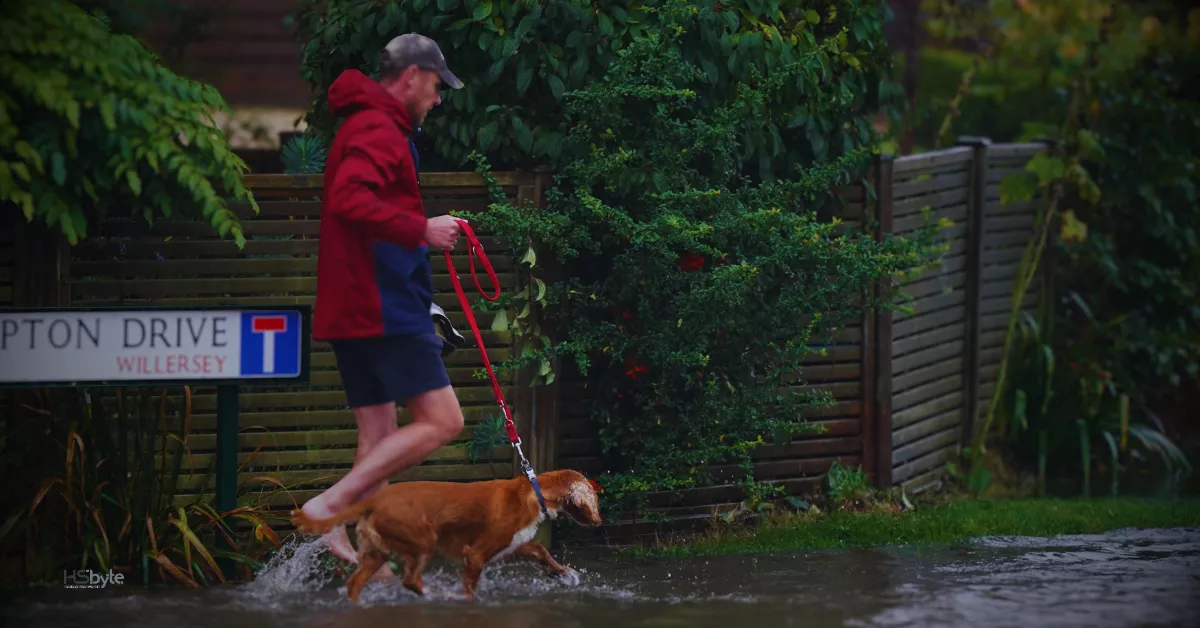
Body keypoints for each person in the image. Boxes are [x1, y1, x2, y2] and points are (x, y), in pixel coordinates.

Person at [304, 33, 466, 577]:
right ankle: (331, 506)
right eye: (437, 86)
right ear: (412, 76)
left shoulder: (364, 123)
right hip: (381, 305)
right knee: (443, 420)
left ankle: (369, 568)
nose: (438, 99)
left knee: (378, 441)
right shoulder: (378, 127)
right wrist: (422, 229)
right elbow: (350, 198)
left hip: (359, 306)